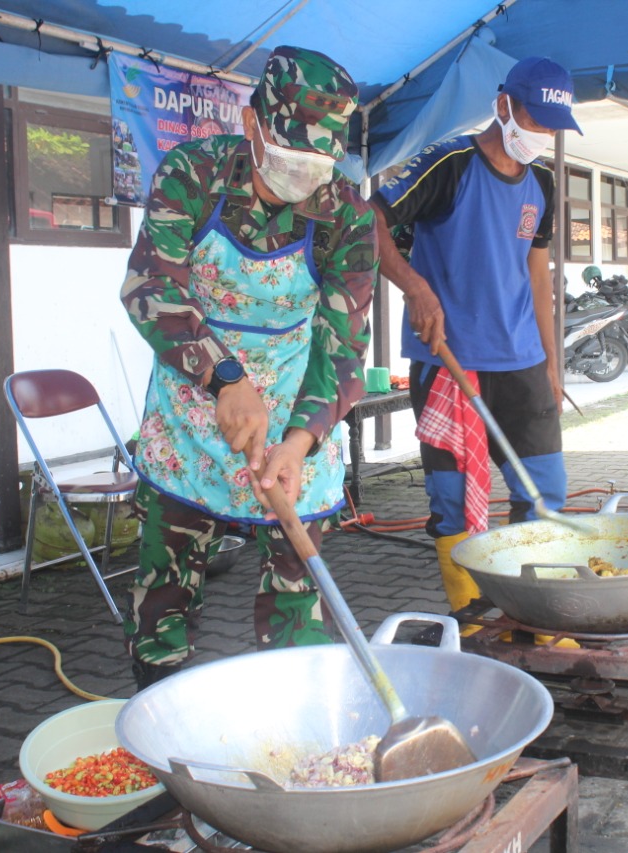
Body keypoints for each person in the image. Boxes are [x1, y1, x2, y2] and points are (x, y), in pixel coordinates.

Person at [120, 46, 378, 689]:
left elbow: (342, 345)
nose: (304, 174)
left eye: (318, 162)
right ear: (253, 124)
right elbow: (150, 287)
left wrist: (299, 440)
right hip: (194, 410)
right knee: (164, 600)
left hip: (296, 409)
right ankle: (163, 724)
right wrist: (225, 379)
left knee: (300, 596)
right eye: (292, 156)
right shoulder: (194, 175)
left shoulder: (347, 212)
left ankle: (297, 734)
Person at [370, 56, 581, 612]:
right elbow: (371, 222)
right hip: (450, 362)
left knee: (544, 489)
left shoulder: (544, 182)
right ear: (503, 105)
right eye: (534, 121)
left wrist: (552, 362)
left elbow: (539, 273)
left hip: (523, 361)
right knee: (454, 499)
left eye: (552, 127)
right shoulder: (448, 163)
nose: (541, 136)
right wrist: (415, 287)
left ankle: (536, 609)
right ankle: (470, 614)